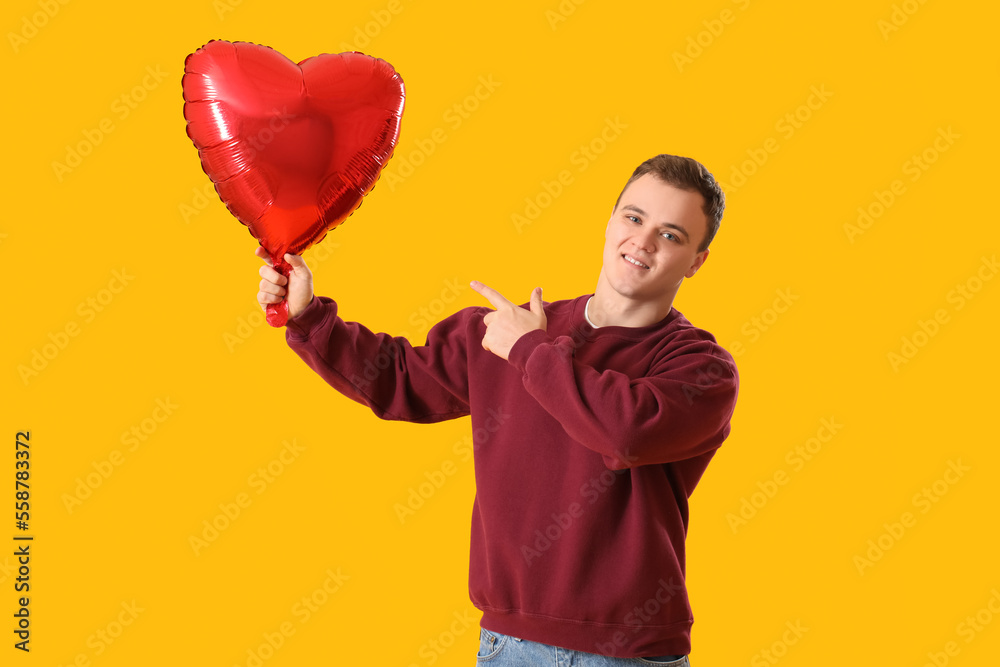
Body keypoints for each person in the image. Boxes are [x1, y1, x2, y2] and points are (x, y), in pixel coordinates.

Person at [256, 154, 739, 666]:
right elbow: (395, 378)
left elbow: (625, 433)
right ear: (610, 220)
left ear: (696, 262)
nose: (641, 242)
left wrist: (529, 351)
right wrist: (308, 316)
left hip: (627, 655)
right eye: (634, 218)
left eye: (671, 235)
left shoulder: (702, 369)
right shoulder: (509, 331)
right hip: (509, 647)